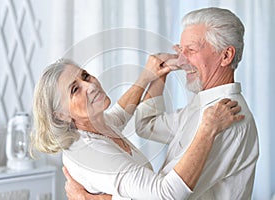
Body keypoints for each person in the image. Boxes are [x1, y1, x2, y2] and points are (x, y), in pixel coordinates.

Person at [31, 56, 244, 199]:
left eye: (85, 76)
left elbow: (119, 115)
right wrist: (207, 129)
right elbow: (165, 194)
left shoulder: (93, 127)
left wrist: (149, 77)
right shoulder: (88, 151)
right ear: (61, 115)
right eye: (75, 89)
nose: (91, 85)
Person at [133, 7, 259, 199]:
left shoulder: (227, 117)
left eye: (190, 50)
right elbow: (146, 125)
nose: (182, 61)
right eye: (180, 50)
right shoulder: (203, 105)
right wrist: (162, 72)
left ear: (225, 56)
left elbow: (164, 195)